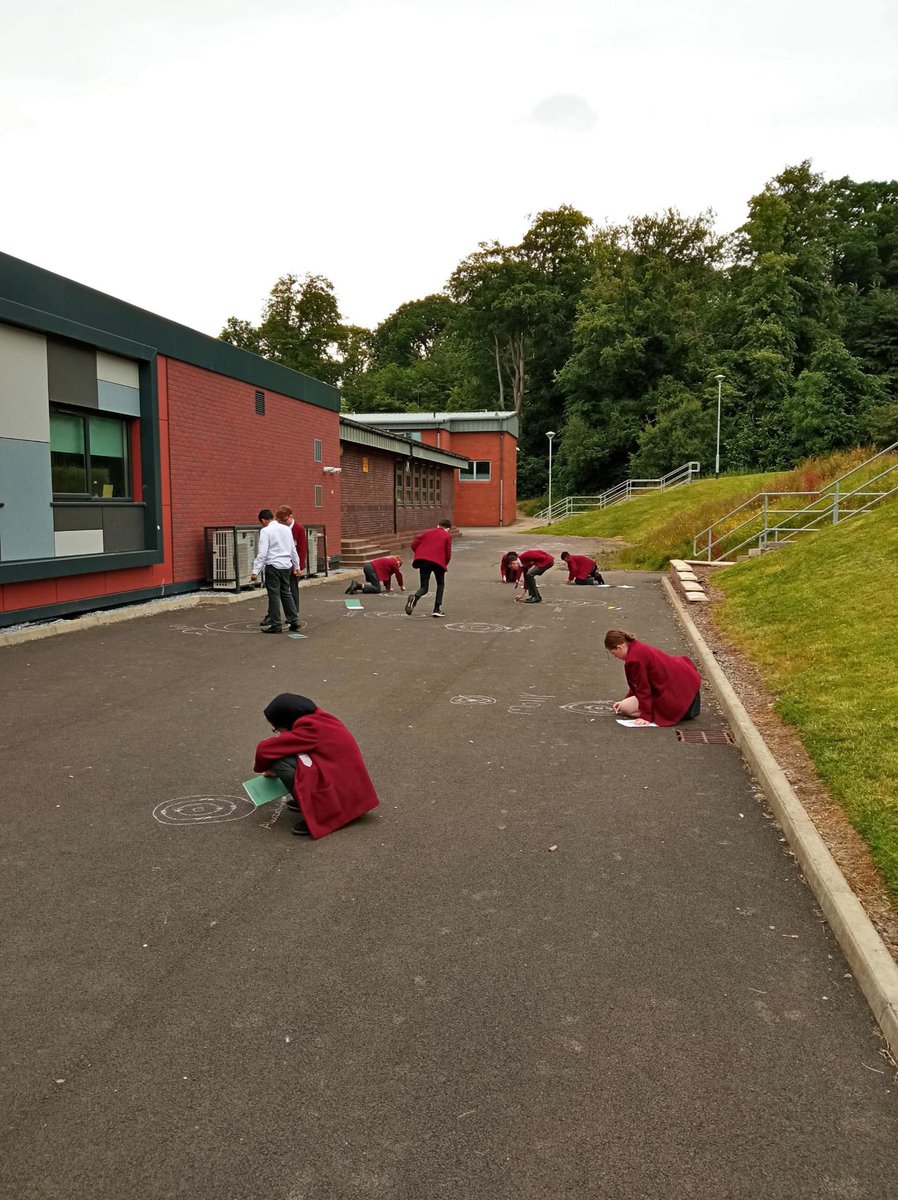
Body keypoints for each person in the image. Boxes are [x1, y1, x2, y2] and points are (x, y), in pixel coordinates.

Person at [253, 693, 380, 837]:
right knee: (288, 753)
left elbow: (264, 749)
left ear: (286, 720)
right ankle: (307, 801)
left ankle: (322, 812)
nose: (278, 732)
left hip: (342, 795)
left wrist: (266, 767)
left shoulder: (311, 728)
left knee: (281, 764)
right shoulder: (319, 719)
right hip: (350, 787)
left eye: (276, 728)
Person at [605, 629, 701, 726]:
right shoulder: (636, 646)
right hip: (687, 690)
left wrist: (645, 716)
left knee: (626, 708)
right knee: (624, 704)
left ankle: (664, 713)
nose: (615, 656)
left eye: (613, 653)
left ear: (619, 647)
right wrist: (626, 699)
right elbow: (637, 684)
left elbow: (642, 688)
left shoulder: (634, 660)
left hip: (678, 698)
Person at [250, 509, 300, 634]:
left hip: (273, 566)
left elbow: (262, 553)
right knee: (286, 592)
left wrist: (255, 571)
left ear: (263, 520)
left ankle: (276, 624)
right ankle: (294, 620)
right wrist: (297, 566)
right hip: (286, 565)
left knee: (274, 595)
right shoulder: (286, 529)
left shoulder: (266, 531)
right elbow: (292, 549)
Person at [261, 505, 307, 627]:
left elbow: (301, 549)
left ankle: (293, 615)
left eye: (285, 520)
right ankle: (272, 615)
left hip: (291, 564)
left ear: (291, 516)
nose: (283, 522)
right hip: (281, 563)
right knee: (277, 592)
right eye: (280, 520)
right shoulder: (280, 528)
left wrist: (298, 567)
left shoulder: (299, 529)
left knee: (291, 590)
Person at [405, 519, 452, 618]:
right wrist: (445, 563)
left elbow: (414, 545)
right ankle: (436, 609)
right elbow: (447, 553)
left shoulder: (426, 532)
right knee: (440, 584)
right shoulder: (447, 535)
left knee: (424, 587)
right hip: (438, 562)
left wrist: (420, 553)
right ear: (447, 529)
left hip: (423, 561)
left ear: (438, 525)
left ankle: (415, 597)